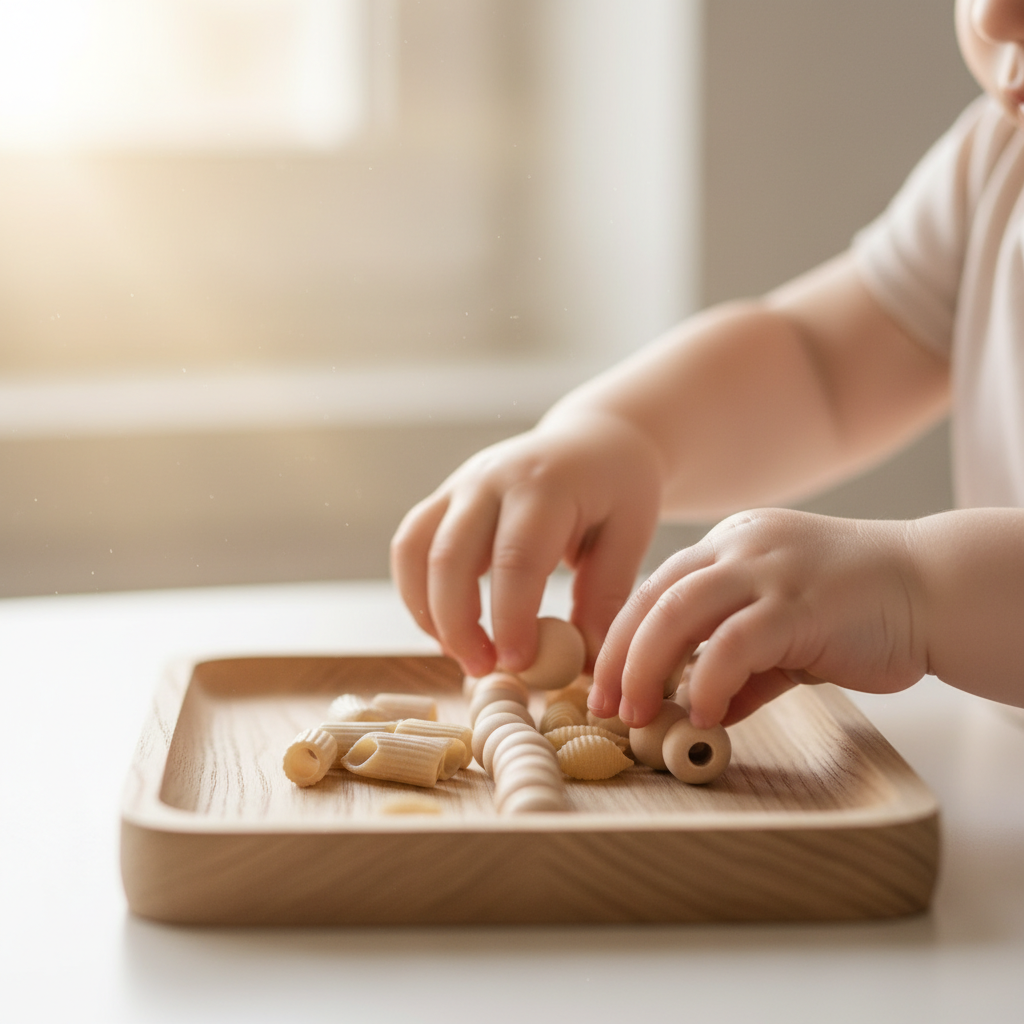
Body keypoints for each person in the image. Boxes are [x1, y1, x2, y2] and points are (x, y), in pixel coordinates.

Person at [390, 0, 1024, 733]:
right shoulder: (999, 158)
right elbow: (820, 365)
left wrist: (916, 591)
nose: (994, 16)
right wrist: (624, 434)